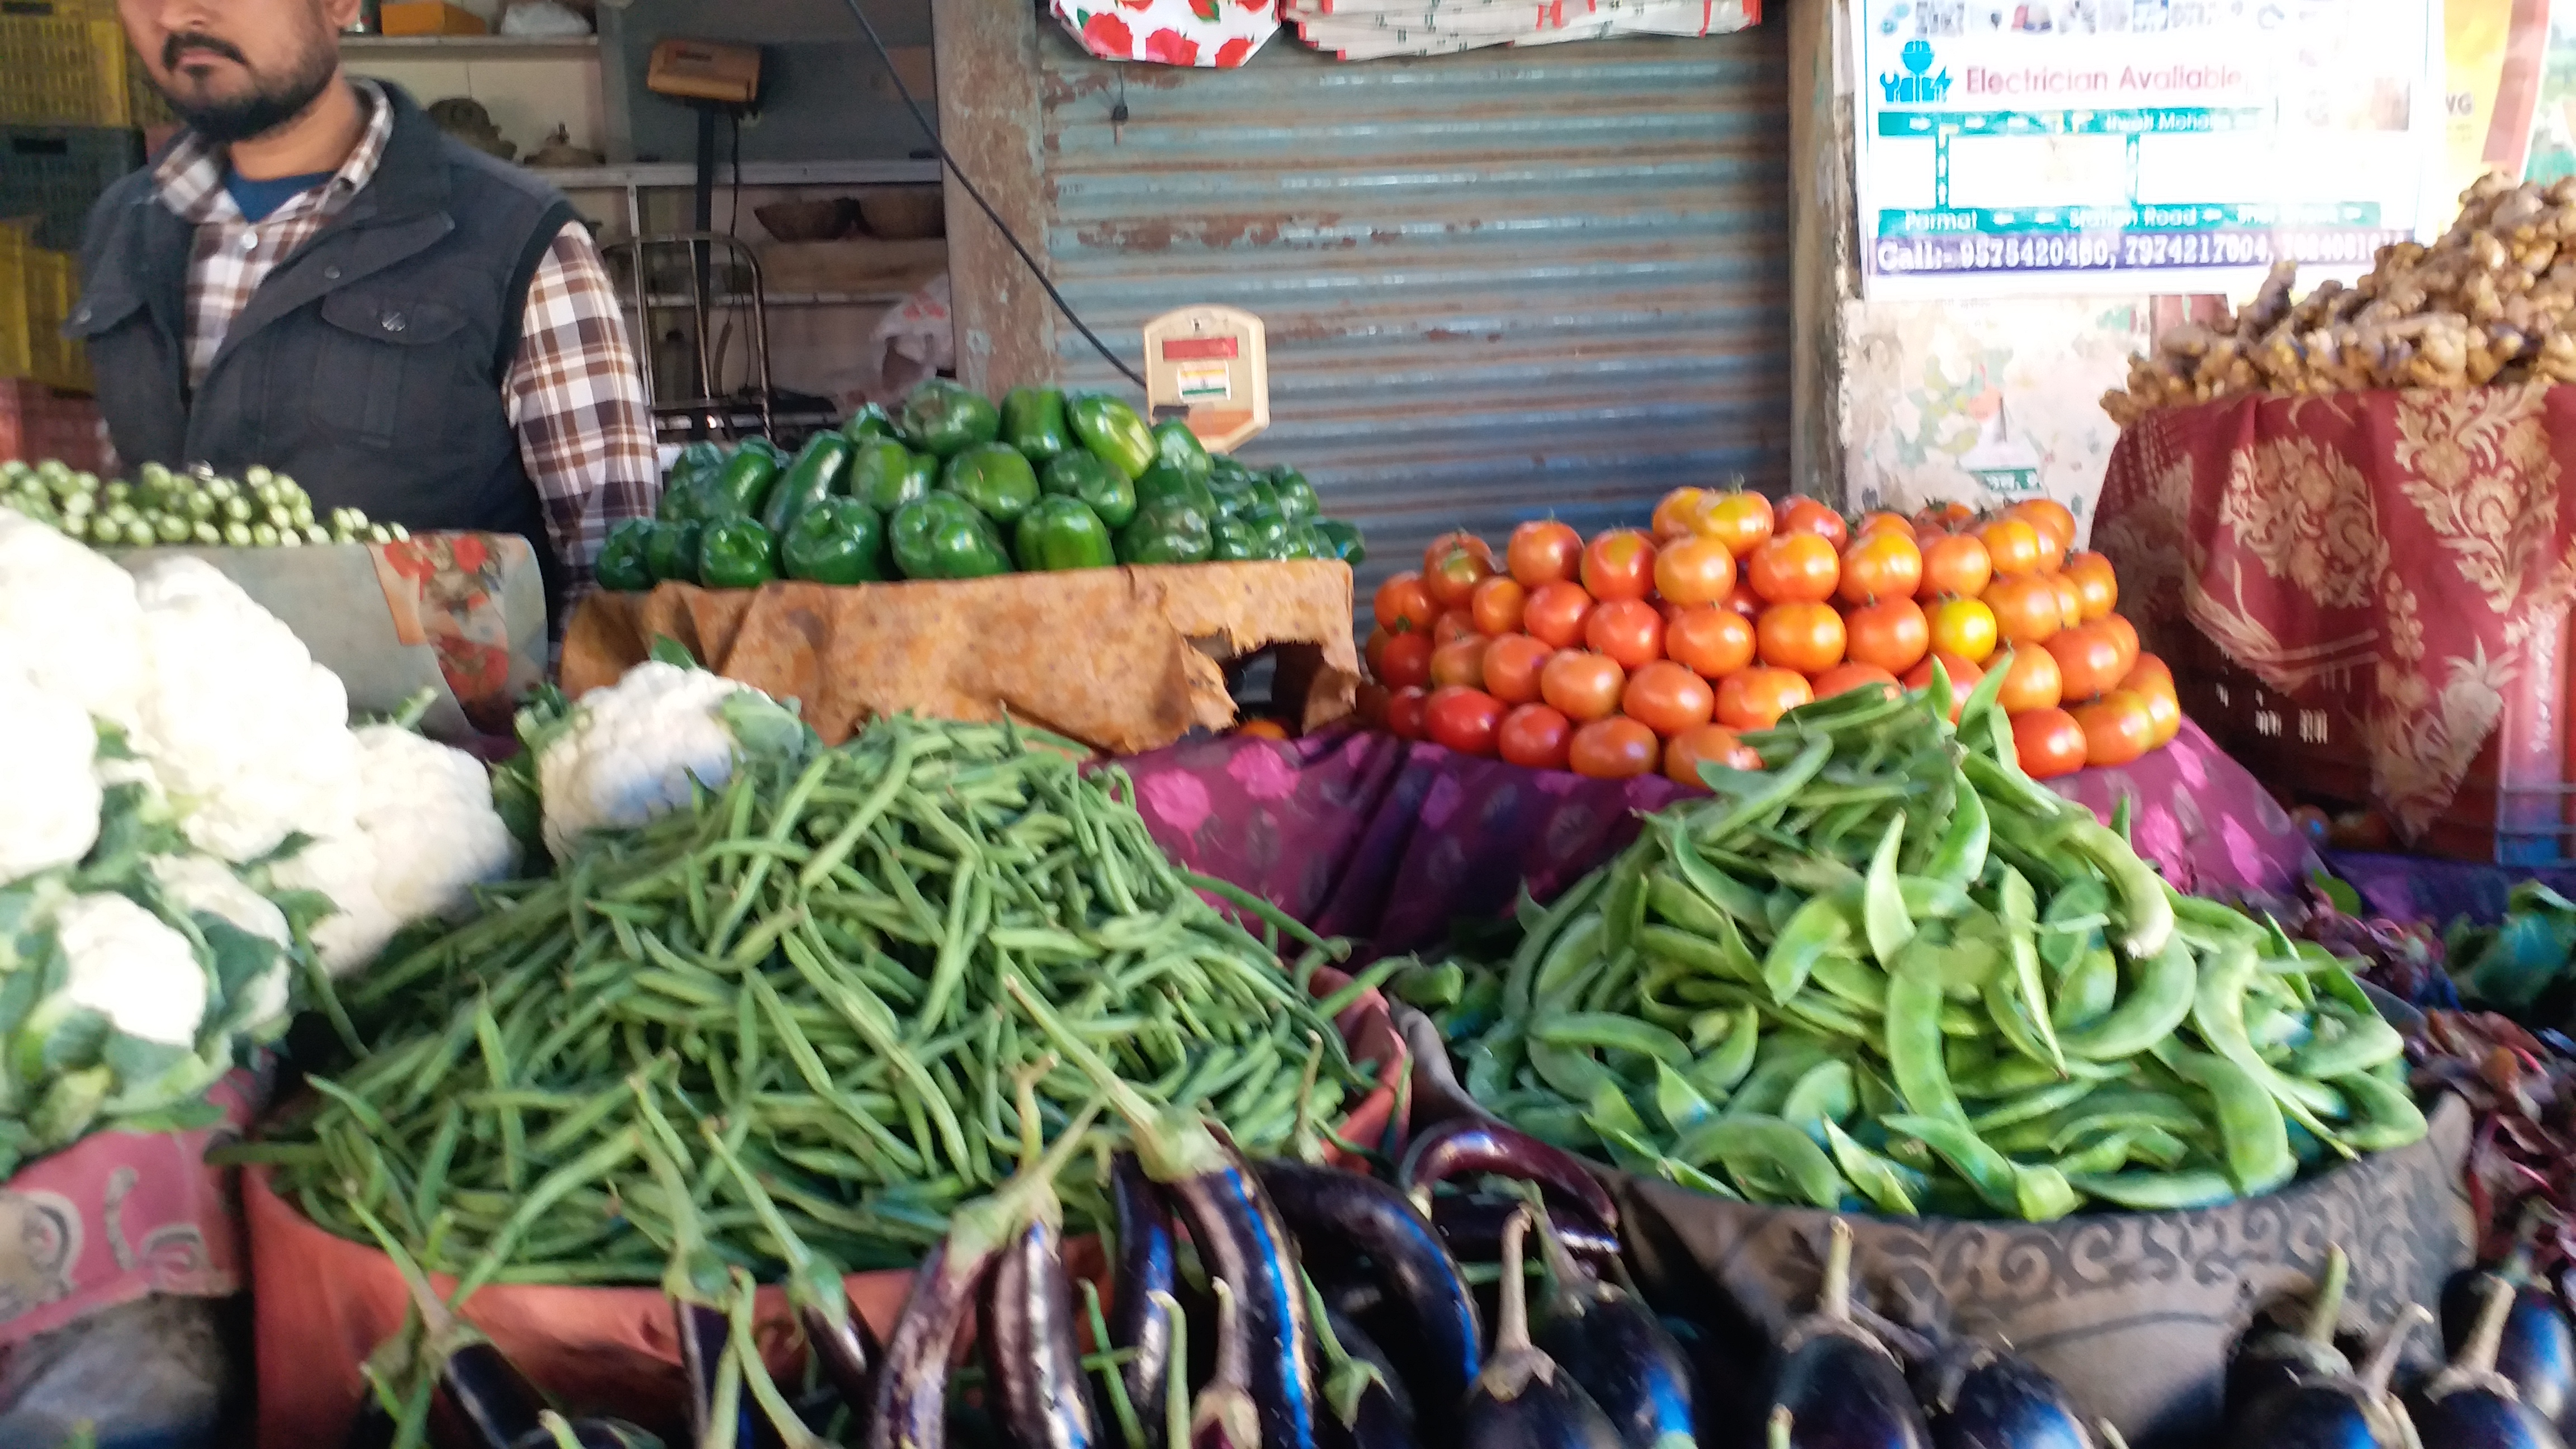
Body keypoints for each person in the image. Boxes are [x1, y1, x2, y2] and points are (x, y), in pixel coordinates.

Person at [72, 0, 658, 619]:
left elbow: (616, 578)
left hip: (428, 715)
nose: (173, 13)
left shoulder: (514, 235)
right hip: (177, 702)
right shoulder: (124, 225)